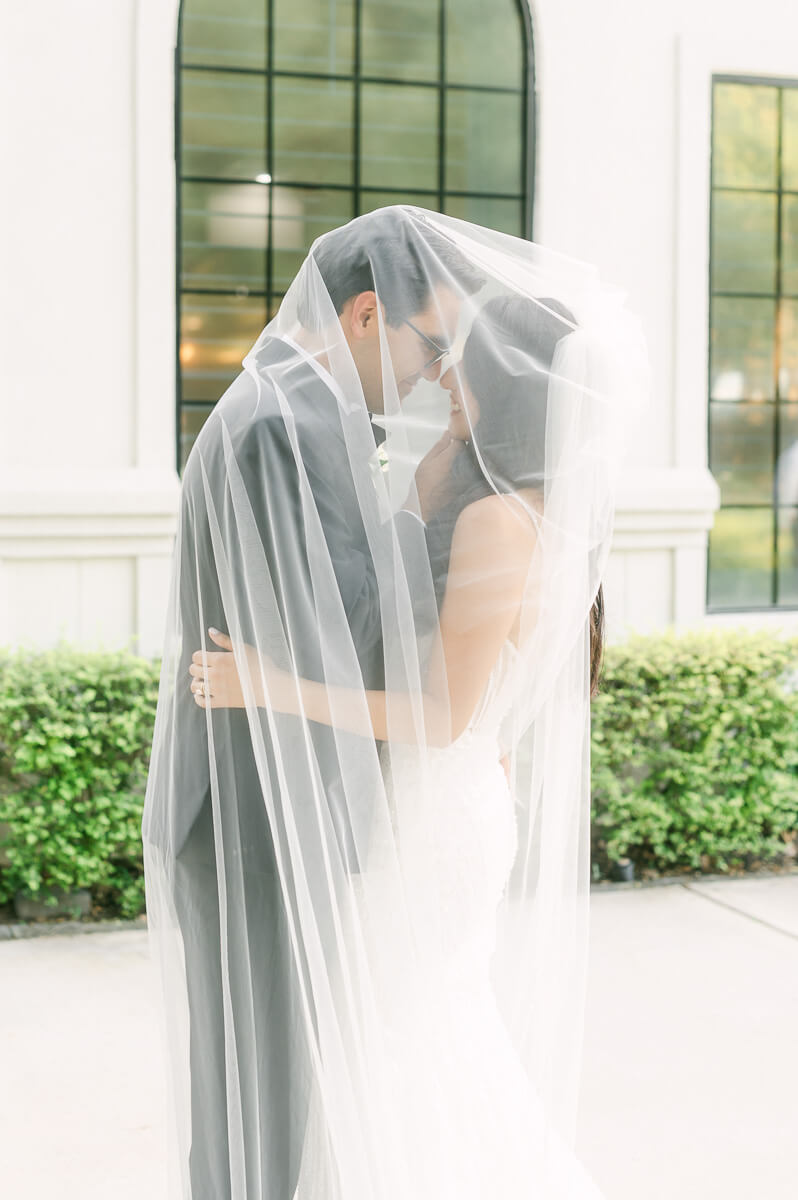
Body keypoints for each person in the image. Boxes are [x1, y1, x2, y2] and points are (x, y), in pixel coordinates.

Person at [143, 205, 646, 1199]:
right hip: (421, 797)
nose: (442, 368)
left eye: (463, 356)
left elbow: (439, 709)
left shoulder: (500, 517)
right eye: (438, 344)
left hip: (432, 805)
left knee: (405, 1047)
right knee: (389, 1048)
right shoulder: (419, 470)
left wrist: (267, 684)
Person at [141, 206, 483, 1199]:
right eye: (432, 344)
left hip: (266, 806)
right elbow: (342, 630)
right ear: (370, 314)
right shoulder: (285, 425)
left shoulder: (285, 409)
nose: (433, 372)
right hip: (263, 819)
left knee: (268, 1095)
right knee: (267, 1099)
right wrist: (453, 512)